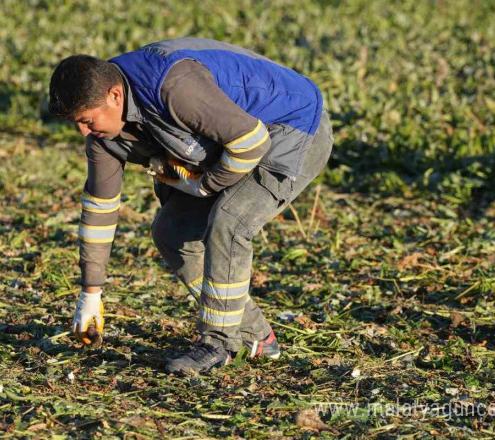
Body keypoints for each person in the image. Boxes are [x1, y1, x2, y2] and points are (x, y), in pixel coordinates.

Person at [48, 37, 333, 374]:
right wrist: (90, 293)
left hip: (292, 128)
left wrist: (204, 186)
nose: (84, 132)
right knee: (173, 232)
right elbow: (99, 209)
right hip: (231, 143)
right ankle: (256, 337)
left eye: (87, 120)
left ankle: (219, 344)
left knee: (229, 223)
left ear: (114, 96)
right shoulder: (103, 133)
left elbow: (251, 141)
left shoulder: (174, 86)